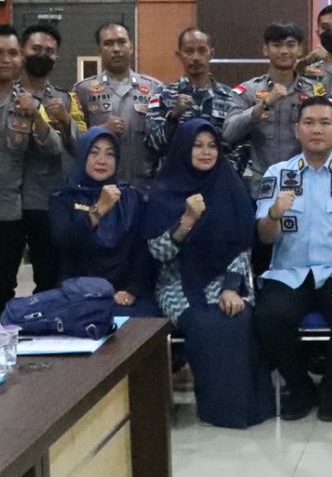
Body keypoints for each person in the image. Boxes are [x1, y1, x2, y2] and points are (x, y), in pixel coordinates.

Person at [253, 98, 332, 422]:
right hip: (290, 272)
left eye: (324, 123)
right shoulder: (277, 174)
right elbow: (265, 237)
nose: (316, 129)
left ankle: (331, 390)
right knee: (268, 316)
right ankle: (301, 388)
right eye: (309, 123)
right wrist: (274, 213)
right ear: (297, 130)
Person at [145, 119, 273, 428]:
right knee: (203, 322)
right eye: (197, 146)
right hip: (177, 280)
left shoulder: (231, 186)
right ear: (183, 149)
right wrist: (187, 221)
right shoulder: (163, 191)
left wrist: (231, 287)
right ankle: (217, 410)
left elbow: (243, 245)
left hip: (227, 276)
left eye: (212, 145)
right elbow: (158, 253)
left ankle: (251, 408)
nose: (206, 152)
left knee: (240, 318)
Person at [0, 25, 61, 317]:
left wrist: (37, 116)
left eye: (12, 53)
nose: (5, 60)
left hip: (8, 213)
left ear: (20, 57)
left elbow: (54, 148)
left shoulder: (28, 102)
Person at [49, 127, 151, 307]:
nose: (102, 161)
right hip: (77, 290)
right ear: (82, 155)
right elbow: (63, 243)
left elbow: (141, 249)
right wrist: (98, 211)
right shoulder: (64, 196)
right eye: (94, 153)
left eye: (109, 154)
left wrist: (131, 289)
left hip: (123, 291)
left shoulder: (131, 196)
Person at [224, 21, 330, 192]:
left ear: (300, 49)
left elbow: (328, 136)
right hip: (260, 184)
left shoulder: (315, 91)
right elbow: (228, 134)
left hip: (306, 183)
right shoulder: (248, 90)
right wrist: (262, 106)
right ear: (265, 49)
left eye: (290, 45)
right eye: (277, 45)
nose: (284, 51)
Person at [19, 23, 85, 292]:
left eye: (49, 51)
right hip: (5, 201)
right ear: (22, 50)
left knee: (49, 277)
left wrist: (66, 120)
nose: (42, 55)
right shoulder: (4, 96)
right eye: (36, 49)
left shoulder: (66, 99)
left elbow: (82, 148)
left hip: (46, 200)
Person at [72, 22, 162, 188]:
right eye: (108, 43)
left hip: (143, 186)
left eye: (121, 42)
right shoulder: (83, 90)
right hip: (99, 187)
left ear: (131, 47)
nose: (116, 49)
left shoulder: (154, 88)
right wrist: (101, 130)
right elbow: (74, 141)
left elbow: (163, 140)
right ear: (99, 51)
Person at [147, 27, 235, 159]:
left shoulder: (230, 97)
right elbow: (152, 145)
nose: (195, 57)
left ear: (211, 54)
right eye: (189, 51)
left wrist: (228, 170)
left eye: (202, 50)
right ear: (179, 55)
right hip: (175, 171)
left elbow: (241, 144)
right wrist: (173, 117)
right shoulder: (162, 96)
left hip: (218, 171)